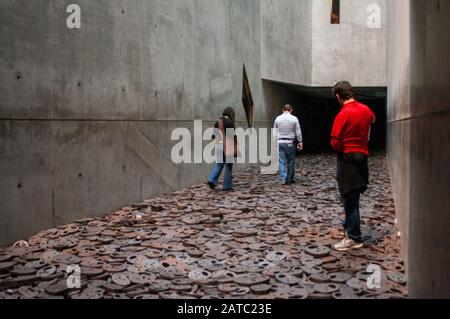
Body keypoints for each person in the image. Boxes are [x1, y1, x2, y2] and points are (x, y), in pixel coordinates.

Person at [331, 81, 376, 252]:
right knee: (354, 196)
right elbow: (373, 118)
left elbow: (335, 142)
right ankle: (349, 227)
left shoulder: (342, 114)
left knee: (349, 199)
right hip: (362, 157)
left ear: (338, 96)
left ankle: (354, 237)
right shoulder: (365, 110)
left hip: (347, 159)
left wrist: (345, 149)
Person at [207, 107, 236, 192]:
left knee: (219, 163)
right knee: (228, 165)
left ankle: (212, 179)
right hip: (228, 146)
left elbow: (214, 134)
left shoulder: (218, 121)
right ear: (231, 114)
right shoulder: (230, 122)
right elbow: (232, 136)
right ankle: (226, 185)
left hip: (219, 144)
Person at [274, 105, 304, 185]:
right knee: (291, 161)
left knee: (282, 161)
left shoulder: (277, 118)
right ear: (291, 110)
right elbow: (298, 131)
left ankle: (283, 177)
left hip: (280, 142)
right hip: (290, 142)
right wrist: (300, 142)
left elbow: (275, 132)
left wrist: (274, 142)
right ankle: (290, 178)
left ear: (283, 110)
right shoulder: (294, 119)